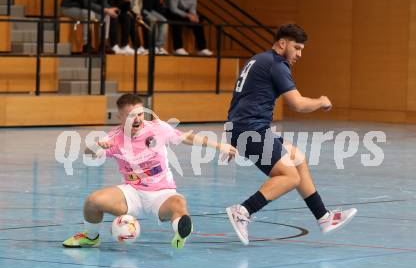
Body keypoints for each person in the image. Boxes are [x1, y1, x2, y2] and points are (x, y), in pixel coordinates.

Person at [225, 24, 357, 245]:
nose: (299, 54)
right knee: (289, 176)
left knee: (298, 159)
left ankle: (323, 217)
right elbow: (297, 104)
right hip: (249, 129)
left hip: (245, 127)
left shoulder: (260, 58)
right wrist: (321, 102)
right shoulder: (277, 64)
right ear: (282, 43)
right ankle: (243, 210)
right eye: (297, 48)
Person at [63, 93, 236, 248]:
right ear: (120, 117)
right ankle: (91, 237)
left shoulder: (157, 128)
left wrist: (219, 146)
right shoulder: (114, 138)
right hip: (132, 192)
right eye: (131, 115)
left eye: (140, 114)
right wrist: (96, 145)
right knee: (93, 201)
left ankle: (181, 231)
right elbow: (89, 154)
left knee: (179, 204)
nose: (137, 119)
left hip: (161, 193)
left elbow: (186, 137)